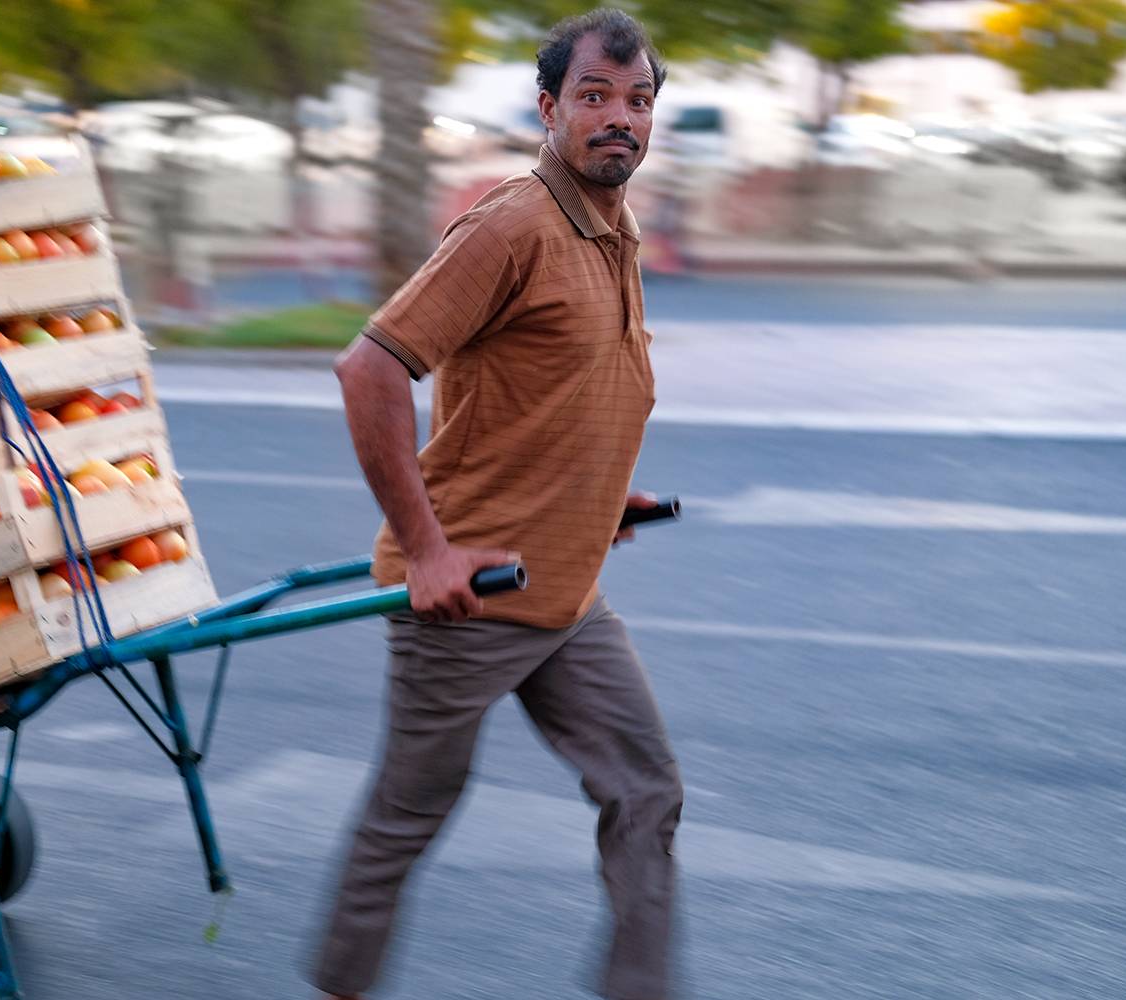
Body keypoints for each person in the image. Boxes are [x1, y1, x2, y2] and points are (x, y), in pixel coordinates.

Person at [314, 9, 682, 1000]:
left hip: (564, 589)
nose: (620, 118)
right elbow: (368, 370)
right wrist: (427, 551)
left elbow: (553, 388)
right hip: (470, 593)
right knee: (410, 812)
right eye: (595, 96)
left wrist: (597, 493)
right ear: (549, 108)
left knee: (647, 791)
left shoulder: (613, 226)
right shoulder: (511, 226)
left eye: (638, 100)